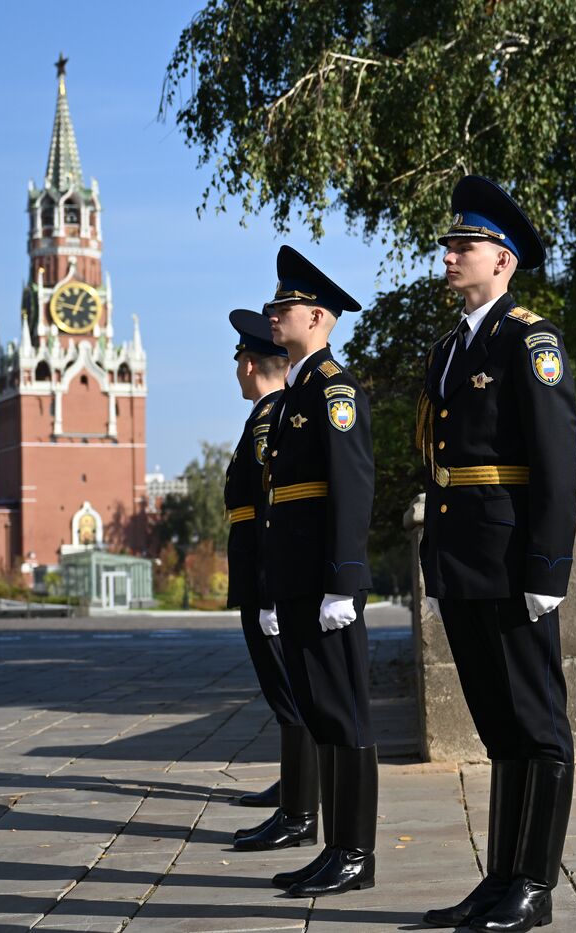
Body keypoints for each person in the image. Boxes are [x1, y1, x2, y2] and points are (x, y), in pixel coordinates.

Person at [417, 176, 576, 933]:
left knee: (538, 725)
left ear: (503, 260)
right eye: (450, 244)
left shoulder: (529, 341)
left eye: (465, 245)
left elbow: (554, 461)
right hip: (464, 561)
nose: (450, 254)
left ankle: (535, 885)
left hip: (513, 561)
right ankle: (501, 876)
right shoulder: (453, 347)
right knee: (498, 729)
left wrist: (549, 569)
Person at [259, 246, 377, 897]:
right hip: (299, 579)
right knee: (324, 717)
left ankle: (355, 852)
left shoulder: (335, 390)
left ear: (318, 316)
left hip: (325, 583)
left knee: (346, 718)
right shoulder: (299, 391)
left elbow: (351, 487)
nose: (275, 314)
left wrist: (344, 580)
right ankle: (337, 848)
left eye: (285, 306)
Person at [223, 308, 321, 852]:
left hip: (269, 577)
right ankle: (295, 791)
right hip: (263, 575)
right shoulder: (265, 417)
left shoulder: (269, 421)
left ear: (251, 365)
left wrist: (266, 591)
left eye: (240, 360)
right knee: (288, 696)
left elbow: (267, 514)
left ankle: (299, 810)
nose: (236, 370)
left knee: (291, 698)